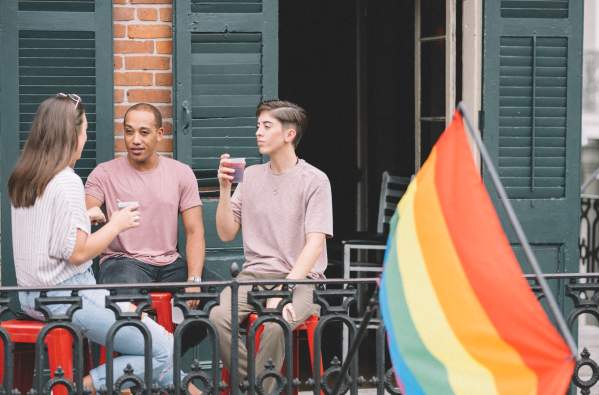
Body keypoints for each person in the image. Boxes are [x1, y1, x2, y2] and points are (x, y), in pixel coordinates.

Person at [9, 94, 200, 393]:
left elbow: (51, 235)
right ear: (72, 134)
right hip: (70, 295)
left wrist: (84, 216)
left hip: (31, 296)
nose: (86, 137)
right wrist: (116, 224)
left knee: (157, 351)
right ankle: (77, 387)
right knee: (164, 346)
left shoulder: (27, 177)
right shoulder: (67, 181)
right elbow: (76, 252)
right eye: (84, 130)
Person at [210, 100, 333, 386]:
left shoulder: (315, 180)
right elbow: (227, 232)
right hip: (253, 274)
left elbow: (315, 243)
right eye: (258, 126)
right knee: (218, 318)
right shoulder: (250, 176)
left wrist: (287, 287)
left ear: (289, 134)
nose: (258, 133)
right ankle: (255, 386)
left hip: (300, 278)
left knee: (276, 324)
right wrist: (224, 189)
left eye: (267, 126)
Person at [84, 103, 205, 308]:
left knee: (216, 293)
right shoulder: (103, 174)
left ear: (159, 134)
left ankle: (174, 339)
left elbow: (194, 231)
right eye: (129, 132)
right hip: (123, 261)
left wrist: (194, 279)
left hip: (169, 263)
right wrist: (93, 214)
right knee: (122, 293)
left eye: (144, 133)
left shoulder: (181, 173)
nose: (135, 140)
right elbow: (83, 220)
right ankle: (142, 337)